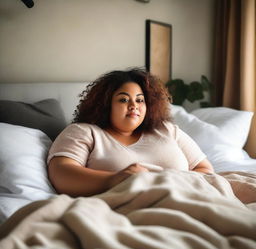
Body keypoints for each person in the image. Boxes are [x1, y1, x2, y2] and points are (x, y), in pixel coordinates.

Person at [47, 68, 214, 197]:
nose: (134, 105)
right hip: (123, 206)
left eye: (140, 100)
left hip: (185, 199)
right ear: (105, 104)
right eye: (123, 99)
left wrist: (171, 184)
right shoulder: (84, 132)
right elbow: (61, 173)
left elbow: (205, 169)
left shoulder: (167, 130)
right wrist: (116, 179)